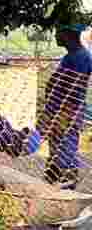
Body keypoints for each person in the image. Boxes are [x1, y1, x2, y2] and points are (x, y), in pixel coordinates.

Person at [38, 23, 92, 187]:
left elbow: (74, 85)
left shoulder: (81, 57)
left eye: (58, 32)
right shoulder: (71, 56)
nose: (56, 36)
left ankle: (67, 177)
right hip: (59, 109)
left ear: (68, 35)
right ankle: (54, 175)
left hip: (67, 109)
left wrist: (65, 109)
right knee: (56, 141)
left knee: (65, 141)